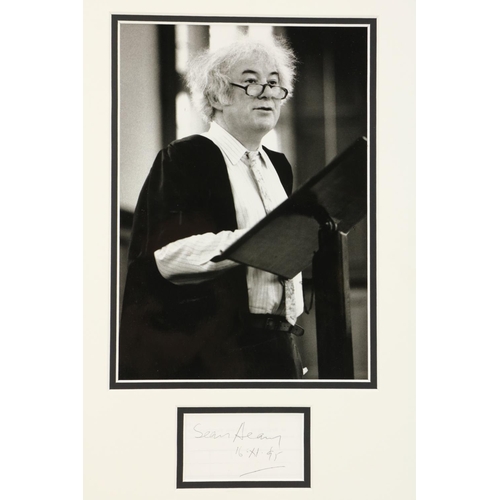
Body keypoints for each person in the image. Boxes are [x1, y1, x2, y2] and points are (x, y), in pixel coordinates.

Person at [119, 35, 305, 380]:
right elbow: (165, 257)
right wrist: (257, 242)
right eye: (250, 83)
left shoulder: (279, 166)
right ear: (217, 95)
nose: (266, 93)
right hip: (219, 351)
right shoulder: (188, 157)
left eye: (275, 84)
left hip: (279, 345)